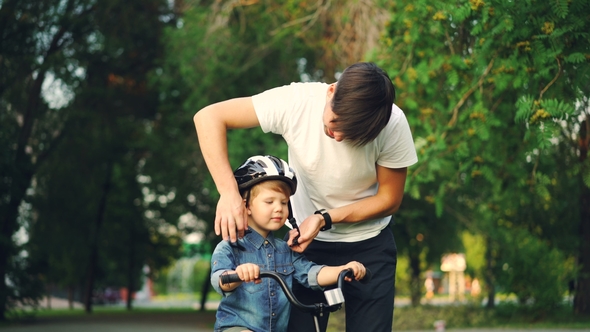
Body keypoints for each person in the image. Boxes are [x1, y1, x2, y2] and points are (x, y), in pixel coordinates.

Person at [195, 62, 418, 332]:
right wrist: (229, 192)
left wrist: (324, 218)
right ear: (331, 91)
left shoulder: (392, 123)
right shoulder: (296, 103)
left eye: (351, 135)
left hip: (370, 244)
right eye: (335, 123)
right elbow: (208, 117)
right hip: (303, 246)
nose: (337, 137)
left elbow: (389, 199)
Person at [211, 155, 366, 332]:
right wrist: (238, 274)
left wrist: (342, 269)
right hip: (237, 328)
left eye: (284, 202)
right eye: (269, 201)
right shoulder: (231, 246)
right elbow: (219, 280)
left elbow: (311, 274)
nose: (278, 208)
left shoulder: (286, 250)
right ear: (246, 207)